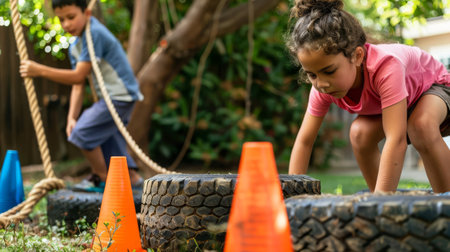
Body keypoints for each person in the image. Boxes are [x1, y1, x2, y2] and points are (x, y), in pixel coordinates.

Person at [286, 0, 450, 193]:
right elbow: (305, 141)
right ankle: (382, 203)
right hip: (404, 106)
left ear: (357, 56)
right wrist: (291, 201)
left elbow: (395, 140)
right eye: (312, 75)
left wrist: (381, 203)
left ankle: (444, 203)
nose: (320, 83)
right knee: (359, 133)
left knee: (420, 125)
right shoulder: (323, 86)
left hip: (436, 89)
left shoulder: (386, 67)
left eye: (329, 71)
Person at [19, 0, 144, 192]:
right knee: (106, 138)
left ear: (86, 13)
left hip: (120, 95)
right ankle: (133, 180)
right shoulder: (75, 45)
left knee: (83, 133)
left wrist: (40, 70)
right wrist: (71, 117)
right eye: (61, 20)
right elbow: (78, 85)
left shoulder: (94, 33)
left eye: (71, 17)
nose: (66, 24)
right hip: (114, 97)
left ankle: (102, 178)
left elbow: (77, 75)